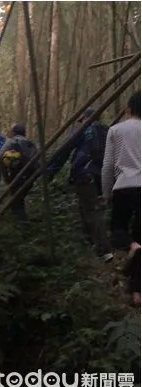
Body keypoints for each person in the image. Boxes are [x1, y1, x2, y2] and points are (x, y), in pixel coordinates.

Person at [46, 108, 114, 262]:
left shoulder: (84, 130)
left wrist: (50, 171)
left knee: (91, 210)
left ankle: (105, 250)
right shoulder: (107, 130)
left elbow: (64, 150)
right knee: (85, 207)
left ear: (85, 118)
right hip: (103, 175)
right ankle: (88, 241)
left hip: (85, 173)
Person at [101, 91, 141, 306]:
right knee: (140, 240)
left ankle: (132, 248)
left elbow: (107, 165)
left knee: (118, 233)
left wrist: (106, 193)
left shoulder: (116, 130)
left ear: (128, 108)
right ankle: (137, 294)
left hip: (124, 187)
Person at [0, 123, 39, 221]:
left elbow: (1, 156)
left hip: (17, 174)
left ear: (13, 132)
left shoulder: (11, 142)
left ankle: (20, 223)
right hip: (30, 174)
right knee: (20, 196)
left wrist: (5, 175)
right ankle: (20, 218)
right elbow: (37, 157)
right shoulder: (31, 143)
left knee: (16, 197)